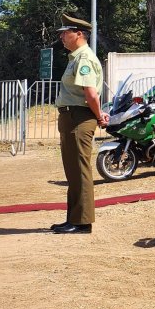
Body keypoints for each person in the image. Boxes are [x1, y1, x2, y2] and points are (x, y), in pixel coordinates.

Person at [52, 14, 107, 234]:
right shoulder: (76, 58)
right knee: (73, 170)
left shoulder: (84, 58)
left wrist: (99, 115)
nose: (62, 37)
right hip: (71, 116)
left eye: (66, 33)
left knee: (80, 169)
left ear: (79, 34)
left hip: (79, 117)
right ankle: (74, 218)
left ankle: (82, 222)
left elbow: (91, 94)